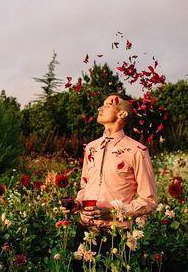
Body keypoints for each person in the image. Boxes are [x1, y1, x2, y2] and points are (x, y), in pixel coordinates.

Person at [63, 94, 158, 270]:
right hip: (83, 231)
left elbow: (149, 201)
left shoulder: (137, 151)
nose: (100, 108)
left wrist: (113, 212)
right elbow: (85, 186)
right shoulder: (91, 148)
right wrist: (77, 203)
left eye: (107, 105)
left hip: (116, 237)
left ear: (122, 114)